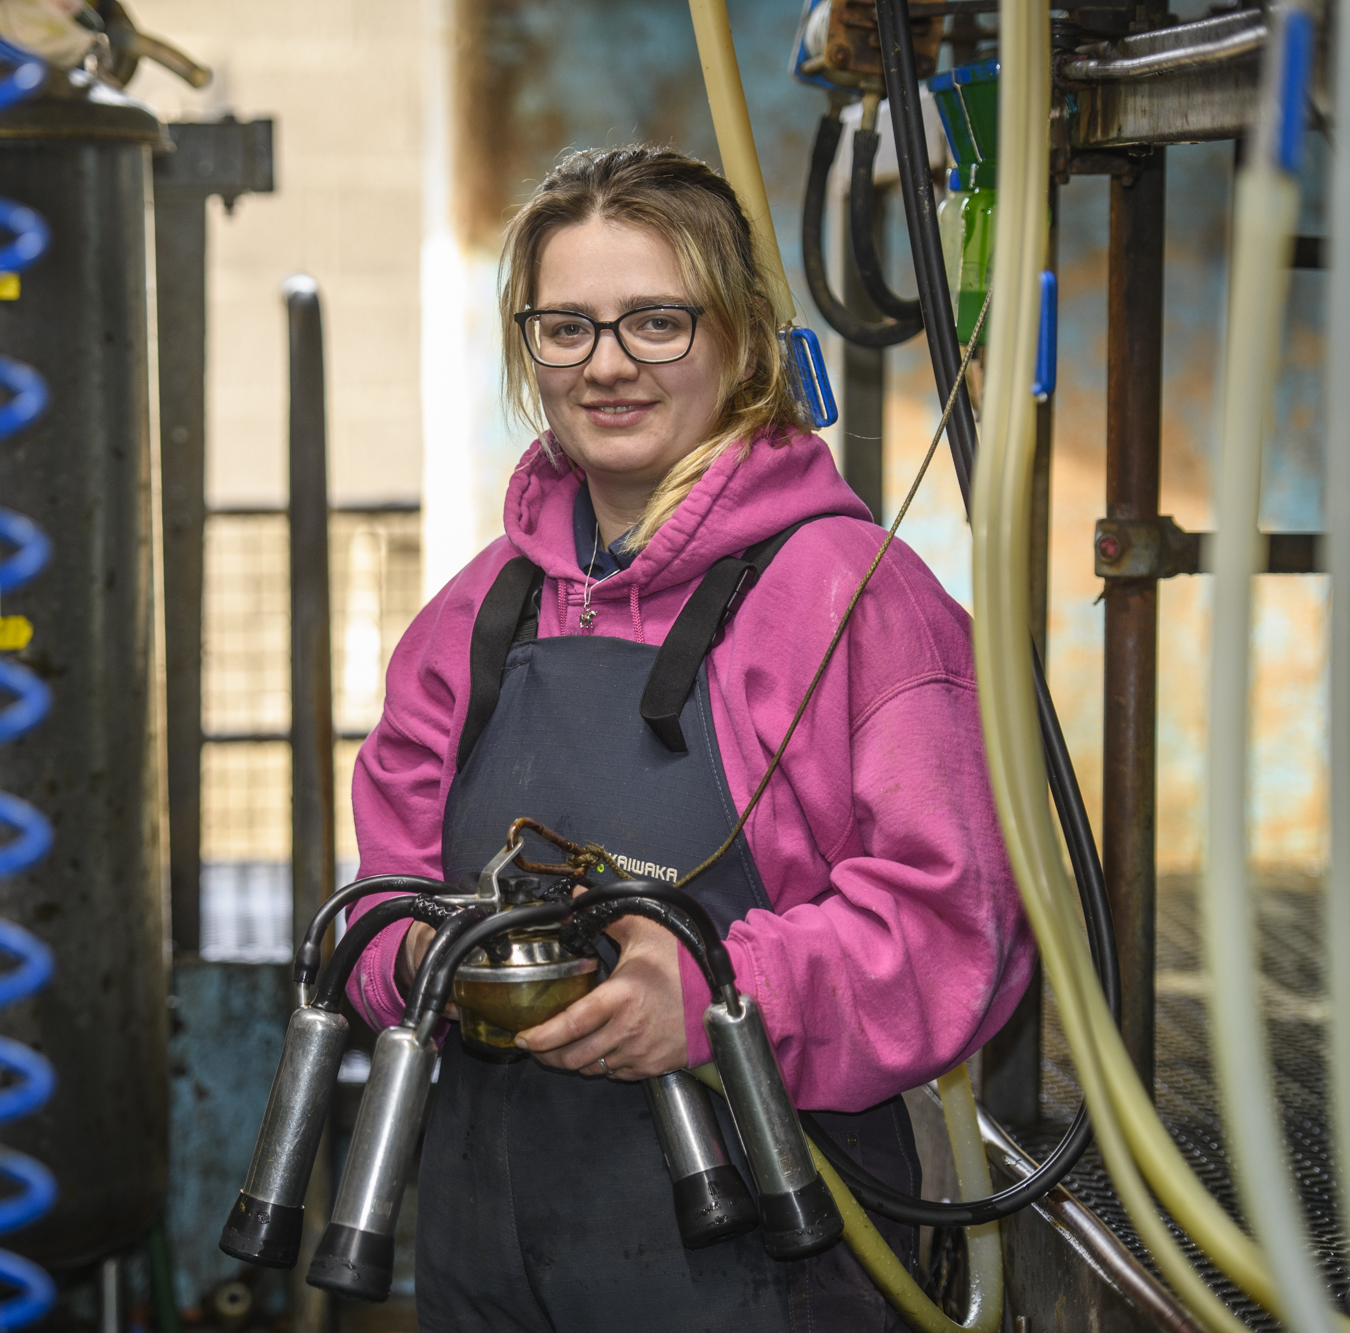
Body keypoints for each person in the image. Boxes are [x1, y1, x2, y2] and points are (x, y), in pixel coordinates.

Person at [343, 144, 1033, 1332]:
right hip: (488, 1249)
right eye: (566, 326)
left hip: (763, 1251)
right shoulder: (476, 613)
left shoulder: (855, 601)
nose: (606, 365)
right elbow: (381, 889)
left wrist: (722, 992)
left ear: (742, 340)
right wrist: (417, 962)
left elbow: (954, 925)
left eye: (656, 321)